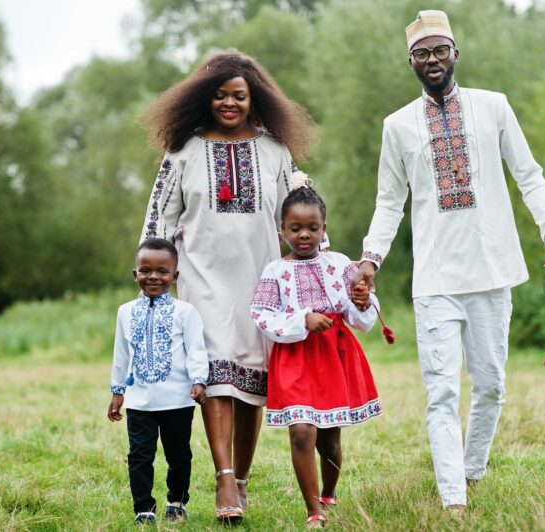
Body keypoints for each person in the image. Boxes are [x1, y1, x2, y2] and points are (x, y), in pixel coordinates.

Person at [351, 9, 545, 511]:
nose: (432, 60)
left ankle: (471, 470)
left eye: (440, 50)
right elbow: (390, 201)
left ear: (456, 54)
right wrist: (371, 259)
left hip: (492, 271)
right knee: (440, 394)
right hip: (434, 280)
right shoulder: (398, 126)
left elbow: (529, 175)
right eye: (422, 54)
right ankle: (454, 499)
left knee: (491, 386)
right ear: (410, 62)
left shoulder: (493, 107)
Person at [139, 50, 314, 523]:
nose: (229, 103)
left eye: (239, 95)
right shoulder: (183, 152)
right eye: (219, 95)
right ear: (203, 98)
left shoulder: (277, 151)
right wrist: (151, 272)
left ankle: (241, 480)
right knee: (215, 376)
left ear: (255, 98)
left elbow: (303, 214)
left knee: (251, 385)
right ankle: (222, 477)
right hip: (201, 279)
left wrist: (317, 272)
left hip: (263, 284)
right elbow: (159, 221)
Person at [250, 174, 382, 528]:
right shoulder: (275, 271)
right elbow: (261, 315)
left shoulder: (341, 264)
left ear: (324, 228)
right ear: (282, 231)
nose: (304, 235)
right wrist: (301, 320)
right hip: (294, 359)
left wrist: (363, 300)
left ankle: (329, 490)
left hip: (333, 357)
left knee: (329, 438)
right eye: (295, 228)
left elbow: (362, 315)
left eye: (311, 227)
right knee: (302, 432)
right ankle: (314, 509)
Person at [107, 238, 209, 525]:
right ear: (135, 273)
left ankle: (176, 502)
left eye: (163, 271)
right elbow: (121, 354)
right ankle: (144, 509)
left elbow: (196, 350)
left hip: (177, 401)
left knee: (179, 456)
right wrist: (117, 392)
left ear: (175, 276)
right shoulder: (125, 312)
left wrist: (199, 381)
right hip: (140, 402)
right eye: (146, 270)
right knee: (139, 456)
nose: (154, 276)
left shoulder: (184, 312)